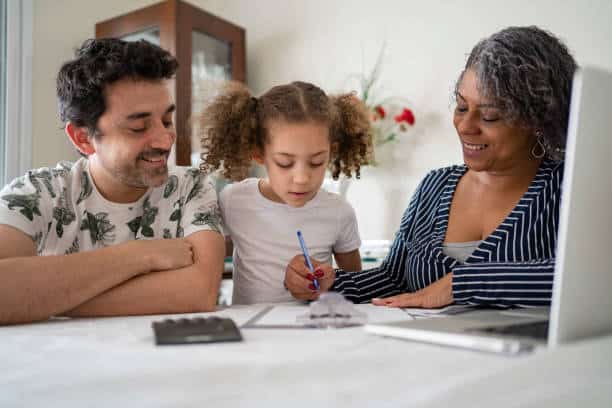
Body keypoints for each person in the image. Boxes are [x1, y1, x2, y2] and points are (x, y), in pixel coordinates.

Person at [284, 26, 577, 309]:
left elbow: (582, 277)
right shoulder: (435, 186)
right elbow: (395, 279)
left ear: (538, 122)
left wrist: (460, 285)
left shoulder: (569, 186)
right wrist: (330, 283)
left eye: (489, 116)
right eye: (462, 107)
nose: (464, 125)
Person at [0, 38, 225, 325]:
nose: (165, 139)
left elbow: (200, 291)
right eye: (138, 127)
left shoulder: (191, 186)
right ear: (83, 138)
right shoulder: (35, 194)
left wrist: (45, 297)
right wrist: (139, 256)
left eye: (167, 120)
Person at [199, 81, 371, 304]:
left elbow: (355, 286)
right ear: (259, 153)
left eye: (316, 162)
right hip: (252, 334)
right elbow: (203, 265)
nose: (301, 178)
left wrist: (330, 282)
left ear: (331, 153)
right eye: (284, 163)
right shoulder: (233, 200)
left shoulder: (339, 212)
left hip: (317, 333)